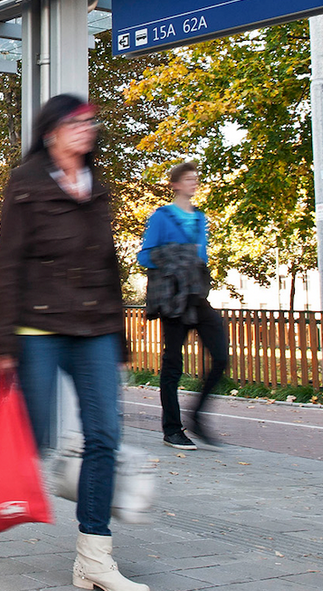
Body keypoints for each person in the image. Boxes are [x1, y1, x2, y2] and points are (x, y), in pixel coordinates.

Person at [0, 95, 148, 591]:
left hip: (94, 327)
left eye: (91, 122)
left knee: (104, 437)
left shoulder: (97, 187)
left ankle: (93, 558)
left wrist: (118, 338)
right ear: (52, 131)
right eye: (77, 122)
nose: (87, 129)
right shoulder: (26, 183)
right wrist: (3, 339)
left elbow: (108, 265)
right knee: (32, 439)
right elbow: (6, 262)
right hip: (39, 325)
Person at [138, 161, 228, 449]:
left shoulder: (201, 218)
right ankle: (172, 429)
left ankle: (197, 416)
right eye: (189, 179)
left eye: (196, 179)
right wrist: (174, 261)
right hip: (173, 298)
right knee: (173, 363)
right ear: (176, 184)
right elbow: (146, 256)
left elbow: (201, 258)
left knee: (222, 357)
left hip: (197, 297)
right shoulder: (162, 217)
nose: (194, 183)